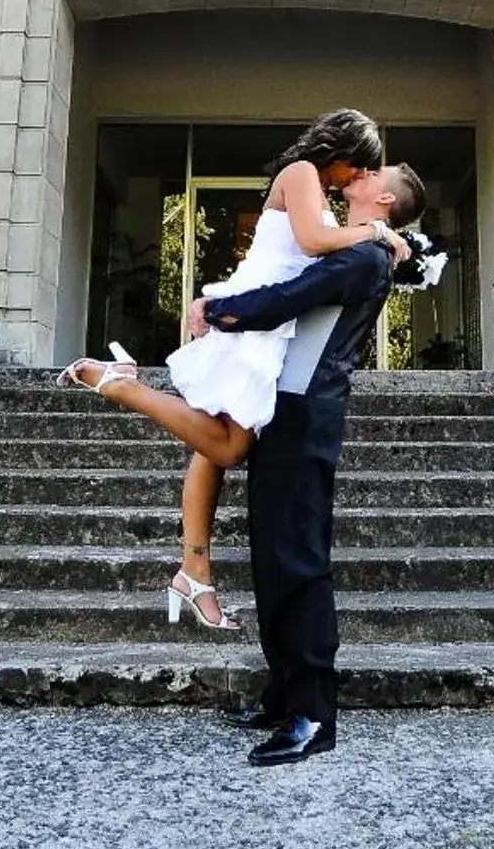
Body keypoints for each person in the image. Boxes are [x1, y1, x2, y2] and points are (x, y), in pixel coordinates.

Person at [71, 161, 433, 767]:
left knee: (299, 563)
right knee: (272, 558)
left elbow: (283, 301)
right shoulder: (359, 247)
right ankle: (283, 695)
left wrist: (214, 309)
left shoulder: (365, 259)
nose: (361, 173)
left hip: (305, 415)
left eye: (375, 172)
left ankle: (314, 714)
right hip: (283, 410)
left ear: (387, 197)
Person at [60, 109, 404, 631]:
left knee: (213, 448)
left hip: (267, 327)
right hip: (253, 324)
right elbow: (312, 243)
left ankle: (194, 574)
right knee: (230, 446)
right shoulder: (303, 174)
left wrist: (375, 234)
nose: (356, 179)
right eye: (357, 169)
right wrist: (377, 231)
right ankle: (120, 387)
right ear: (342, 152)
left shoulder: (319, 188)